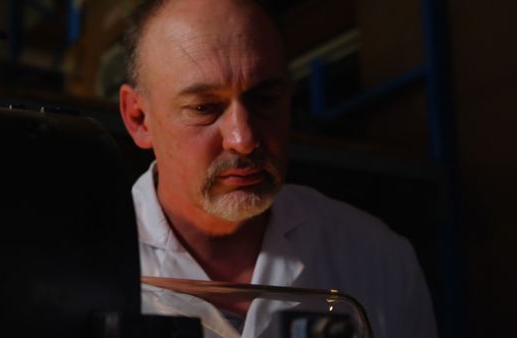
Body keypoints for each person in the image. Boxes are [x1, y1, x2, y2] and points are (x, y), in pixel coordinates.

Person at [118, 0, 438, 337]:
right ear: (139, 118)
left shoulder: (376, 258)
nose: (243, 139)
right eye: (203, 108)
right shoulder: (75, 267)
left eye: (265, 99)